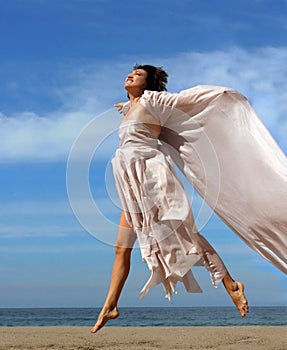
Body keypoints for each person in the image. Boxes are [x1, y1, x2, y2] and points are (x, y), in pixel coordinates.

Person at [90, 64, 279, 333]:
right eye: (131, 73)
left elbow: (185, 101)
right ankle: (111, 305)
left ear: (148, 84)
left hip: (151, 179)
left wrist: (222, 95)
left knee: (185, 237)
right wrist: (127, 106)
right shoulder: (132, 107)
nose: (131, 75)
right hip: (130, 184)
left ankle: (231, 284)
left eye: (139, 75)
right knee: (121, 248)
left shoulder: (154, 100)